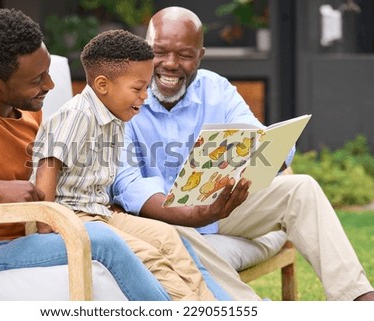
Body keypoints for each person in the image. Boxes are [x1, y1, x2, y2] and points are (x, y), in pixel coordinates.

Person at [112, 6, 374, 301]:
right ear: (144, 49)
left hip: (221, 207)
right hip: (161, 219)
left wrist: (269, 152)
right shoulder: (123, 97)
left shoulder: (216, 89)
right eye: (159, 51)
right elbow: (127, 182)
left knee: (301, 187)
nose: (170, 64)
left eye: (184, 55)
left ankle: (358, 299)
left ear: (200, 56)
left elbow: (258, 136)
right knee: (175, 239)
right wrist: (188, 213)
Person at [0, 8, 172, 301]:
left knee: (162, 236)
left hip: (35, 231)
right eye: (36, 80)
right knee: (104, 242)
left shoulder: (28, 108)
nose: (50, 86)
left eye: (47, 73)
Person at [30, 29, 227, 301]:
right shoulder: (77, 115)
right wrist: (47, 226)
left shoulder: (116, 118)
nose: (145, 96)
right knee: (150, 256)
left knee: (168, 238)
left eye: (147, 87)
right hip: (71, 219)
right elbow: (48, 166)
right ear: (102, 85)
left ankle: (212, 306)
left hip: (99, 213)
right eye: (138, 88)